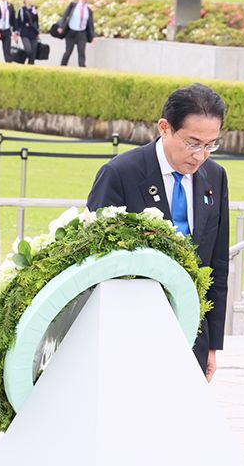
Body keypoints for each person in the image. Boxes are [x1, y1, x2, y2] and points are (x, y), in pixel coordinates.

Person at [86, 84, 229, 381]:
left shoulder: (214, 177)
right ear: (164, 128)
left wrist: (212, 344)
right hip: (127, 331)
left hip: (191, 330)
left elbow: (217, 263)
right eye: (192, 143)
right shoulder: (120, 174)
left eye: (211, 144)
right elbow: (93, 262)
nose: (201, 155)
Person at [58, 0, 95, 67]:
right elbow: (65, 15)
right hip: (71, 32)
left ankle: (82, 69)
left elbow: (91, 25)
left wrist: (93, 36)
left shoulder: (89, 11)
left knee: (81, 52)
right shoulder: (73, 5)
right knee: (68, 52)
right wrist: (61, 26)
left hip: (81, 33)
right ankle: (62, 67)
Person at [15, 0, 40, 65]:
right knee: (28, 50)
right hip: (25, 32)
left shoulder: (34, 8)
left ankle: (30, 66)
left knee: (33, 52)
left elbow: (36, 21)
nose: (29, 0)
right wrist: (16, 33)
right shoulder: (21, 10)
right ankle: (22, 60)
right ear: (24, 0)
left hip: (33, 32)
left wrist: (38, 31)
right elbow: (18, 22)